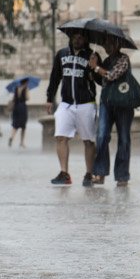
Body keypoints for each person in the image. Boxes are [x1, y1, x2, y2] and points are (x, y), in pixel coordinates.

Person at [46, 30, 99, 187]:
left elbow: (100, 81)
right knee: (61, 137)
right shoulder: (62, 54)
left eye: (81, 36)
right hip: (66, 103)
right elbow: (55, 76)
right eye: (75, 36)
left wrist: (93, 69)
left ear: (85, 39)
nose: (77, 39)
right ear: (70, 38)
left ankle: (89, 173)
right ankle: (64, 173)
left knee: (88, 140)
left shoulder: (92, 55)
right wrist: (49, 98)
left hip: (86, 103)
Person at [90, 34, 134, 187]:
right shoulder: (106, 61)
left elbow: (112, 75)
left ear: (118, 44)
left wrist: (96, 67)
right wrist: (93, 67)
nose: (107, 47)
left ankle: (122, 175)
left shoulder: (124, 59)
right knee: (101, 136)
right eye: (105, 44)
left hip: (123, 104)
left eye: (110, 44)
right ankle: (100, 172)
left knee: (124, 139)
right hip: (107, 104)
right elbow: (101, 81)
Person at [8, 78, 29, 148]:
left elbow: (14, 98)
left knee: (15, 125)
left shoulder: (16, 88)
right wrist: (26, 92)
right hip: (22, 107)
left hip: (16, 108)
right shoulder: (26, 88)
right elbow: (27, 98)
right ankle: (22, 142)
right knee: (23, 126)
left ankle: (11, 137)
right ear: (25, 82)